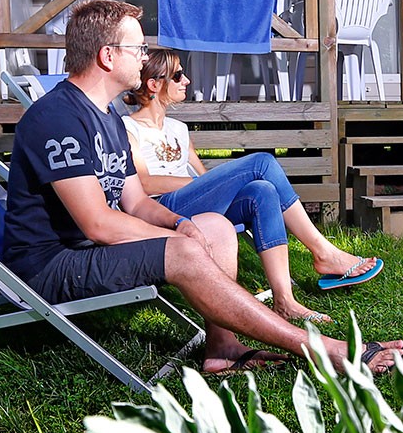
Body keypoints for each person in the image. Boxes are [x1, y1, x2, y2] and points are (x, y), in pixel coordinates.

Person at [0, 0, 403, 375]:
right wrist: (178, 240)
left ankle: (222, 347)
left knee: (213, 225)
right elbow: (98, 224)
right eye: (138, 48)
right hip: (52, 266)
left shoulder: (106, 118)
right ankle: (325, 350)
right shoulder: (58, 118)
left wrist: (181, 223)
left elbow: (136, 202)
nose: (144, 57)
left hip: (90, 251)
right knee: (185, 249)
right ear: (108, 56)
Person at [122, 48, 383, 325]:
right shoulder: (129, 127)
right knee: (261, 162)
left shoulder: (178, 129)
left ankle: (285, 301)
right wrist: (207, 184)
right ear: (154, 84)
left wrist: (212, 184)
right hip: (160, 209)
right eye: (177, 75)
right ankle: (323, 252)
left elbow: (202, 177)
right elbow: (144, 182)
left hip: (193, 204)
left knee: (262, 192)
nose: (186, 80)